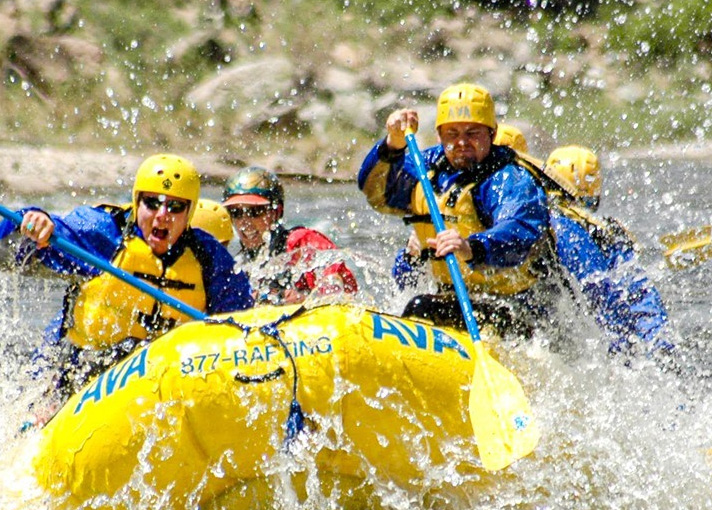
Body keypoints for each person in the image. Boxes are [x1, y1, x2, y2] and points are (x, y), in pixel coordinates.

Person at [0, 153, 254, 422]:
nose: (162, 216)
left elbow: (241, 325)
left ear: (190, 212)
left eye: (175, 207)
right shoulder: (103, 233)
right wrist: (30, 221)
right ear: (137, 202)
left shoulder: (209, 258)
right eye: (152, 203)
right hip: (77, 374)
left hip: (160, 381)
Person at [359, 83, 560, 337]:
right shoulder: (427, 166)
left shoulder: (508, 179)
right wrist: (392, 146)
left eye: (472, 133)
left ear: (492, 133)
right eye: (452, 133)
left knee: (421, 308)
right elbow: (376, 190)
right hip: (455, 298)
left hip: (517, 307)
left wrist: (471, 247)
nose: (462, 142)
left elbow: (519, 232)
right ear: (439, 135)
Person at [544, 145, 673, 355]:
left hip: (572, 328)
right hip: (615, 334)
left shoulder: (544, 221)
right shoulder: (607, 230)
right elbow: (639, 294)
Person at [221, 165, 359, 305]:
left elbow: (338, 294)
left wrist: (303, 300)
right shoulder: (238, 265)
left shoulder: (303, 242)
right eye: (236, 213)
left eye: (255, 211)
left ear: (276, 212)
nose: (245, 222)